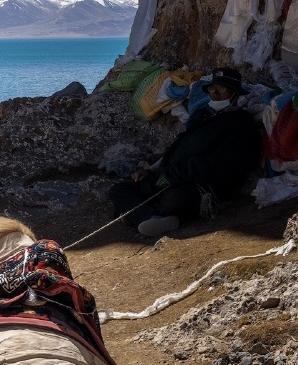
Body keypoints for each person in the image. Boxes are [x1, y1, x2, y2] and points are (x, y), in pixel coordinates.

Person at [110, 67, 263, 238]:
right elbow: (178, 147)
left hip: (201, 184)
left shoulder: (241, 125)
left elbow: (218, 165)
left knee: (174, 200)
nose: (215, 94)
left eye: (222, 90)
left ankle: (137, 213)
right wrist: (152, 170)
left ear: (235, 94)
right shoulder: (202, 115)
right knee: (119, 189)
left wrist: (173, 176)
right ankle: (149, 217)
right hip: (170, 175)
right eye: (212, 89)